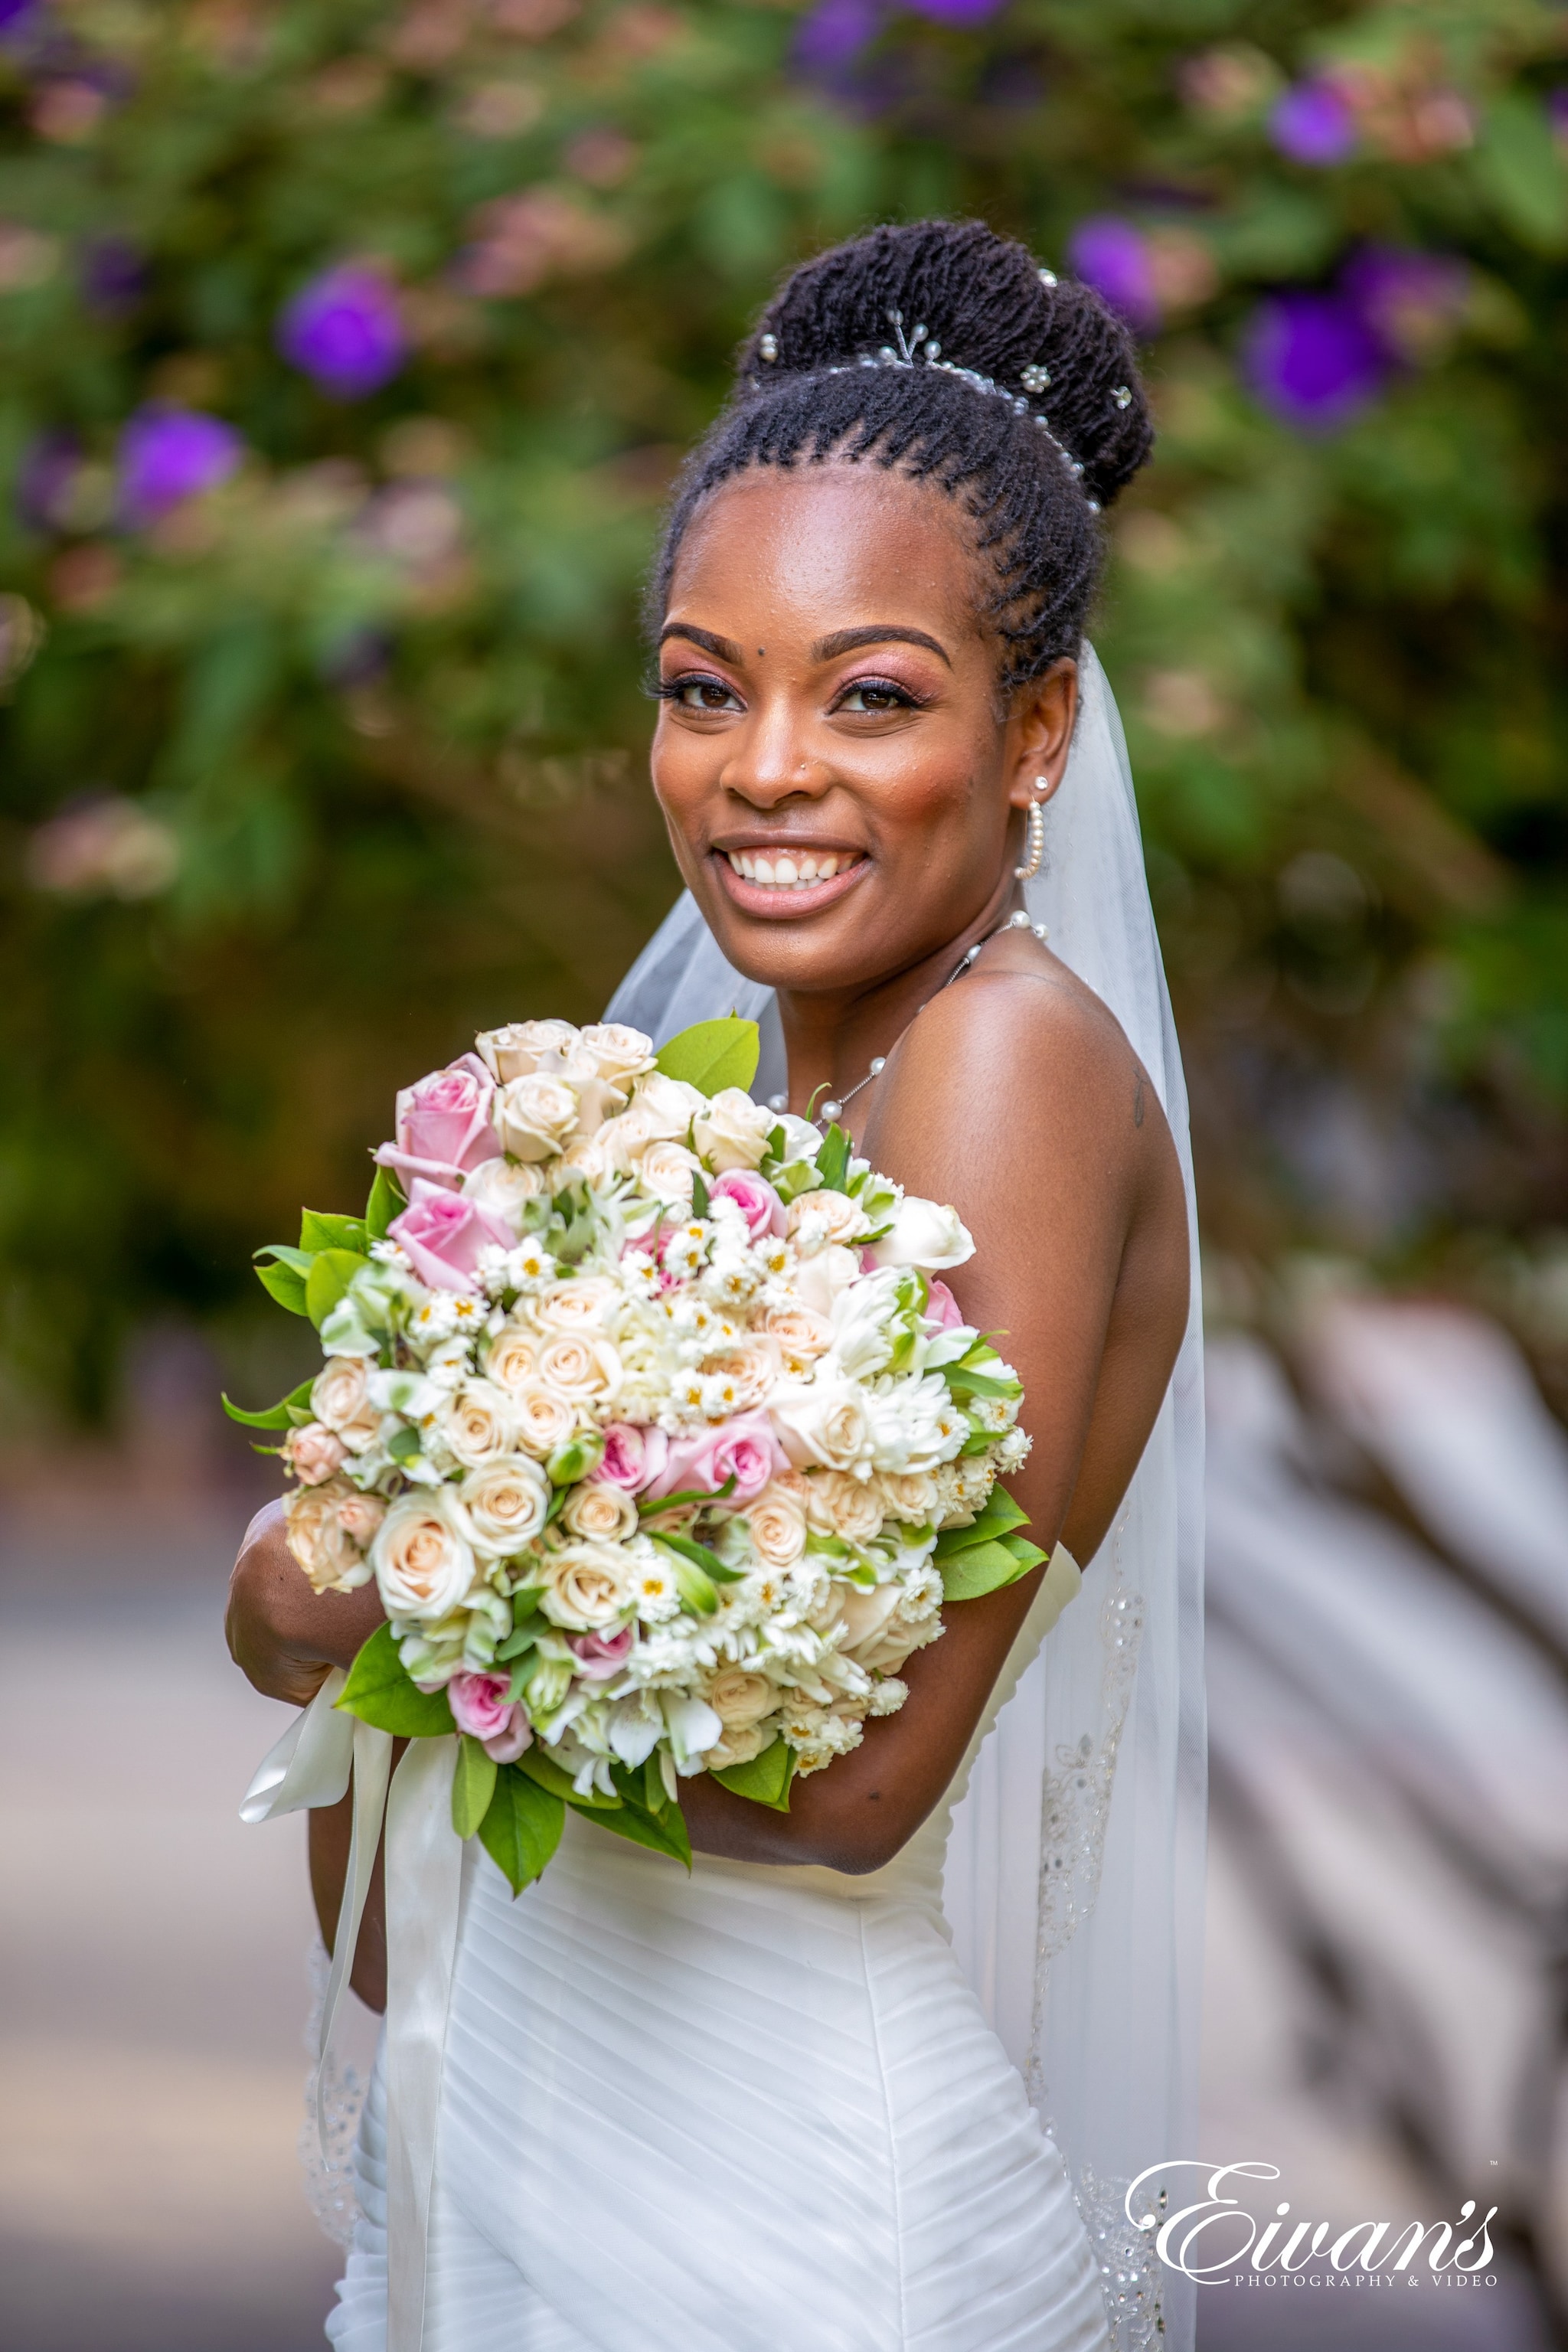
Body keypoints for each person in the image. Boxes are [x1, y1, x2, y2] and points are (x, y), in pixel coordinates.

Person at [228, 217, 1198, 2352]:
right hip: (536, 2143)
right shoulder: (694, 1115)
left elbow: (858, 1786)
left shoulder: (1004, 1057)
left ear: (1034, 737)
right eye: (701, 687)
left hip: (781, 2227)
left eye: (872, 696)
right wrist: (415, 1529)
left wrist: (426, 1550)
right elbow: (281, 1613)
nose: (764, 766)